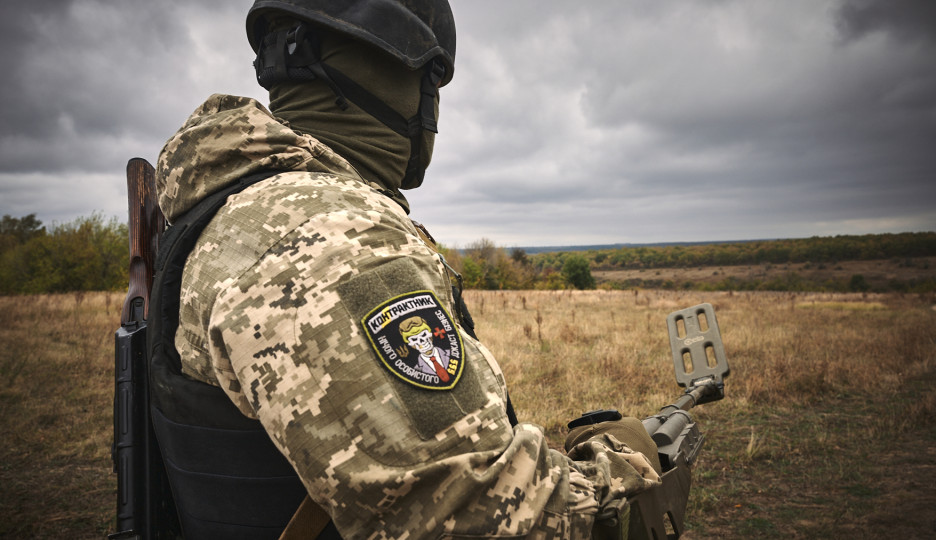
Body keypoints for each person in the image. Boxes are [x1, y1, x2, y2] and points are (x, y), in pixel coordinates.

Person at [154, 1, 662, 537]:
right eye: (431, 85)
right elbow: (481, 517)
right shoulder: (331, 240)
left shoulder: (237, 208)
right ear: (402, 77)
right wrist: (623, 468)